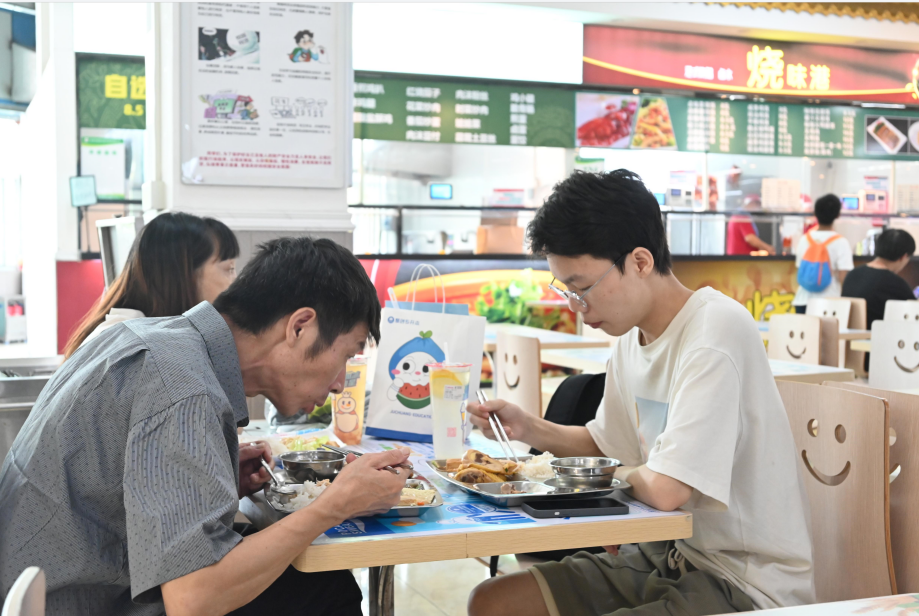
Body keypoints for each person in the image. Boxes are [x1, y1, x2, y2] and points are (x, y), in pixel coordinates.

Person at [466, 170, 815, 616]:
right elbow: (607, 447)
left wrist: (602, 478)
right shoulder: (631, 341)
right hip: (665, 556)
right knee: (493, 602)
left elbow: (667, 490)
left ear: (641, 262)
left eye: (583, 287)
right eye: (566, 290)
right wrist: (527, 427)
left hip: (743, 581)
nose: (576, 305)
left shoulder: (715, 330)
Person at [0, 237, 409, 615]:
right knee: (325, 590)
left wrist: (217, 478)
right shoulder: (184, 388)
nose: (340, 384)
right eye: (348, 355)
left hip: (48, 586)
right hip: (82, 604)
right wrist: (335, 504)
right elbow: (192, 601)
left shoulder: (151, 339)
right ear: (299, 326)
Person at [63, 212, 240, 358]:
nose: (235, 281)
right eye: (229, 269)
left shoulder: (137, 335)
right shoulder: (137, 350)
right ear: (184, 276)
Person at [843, 228, 917, 371]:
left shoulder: (852, 275)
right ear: (903, 257)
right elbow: (914, 316)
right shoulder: (896, 284)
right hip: (880, 356)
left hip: (846, 352)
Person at [792, 194, 853, 313]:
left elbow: (800, 269)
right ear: (838, 215)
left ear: (815, 213)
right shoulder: (841, 242)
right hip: (829, 302)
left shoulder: (804, 239)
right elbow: (843, 278)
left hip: (802, 301)